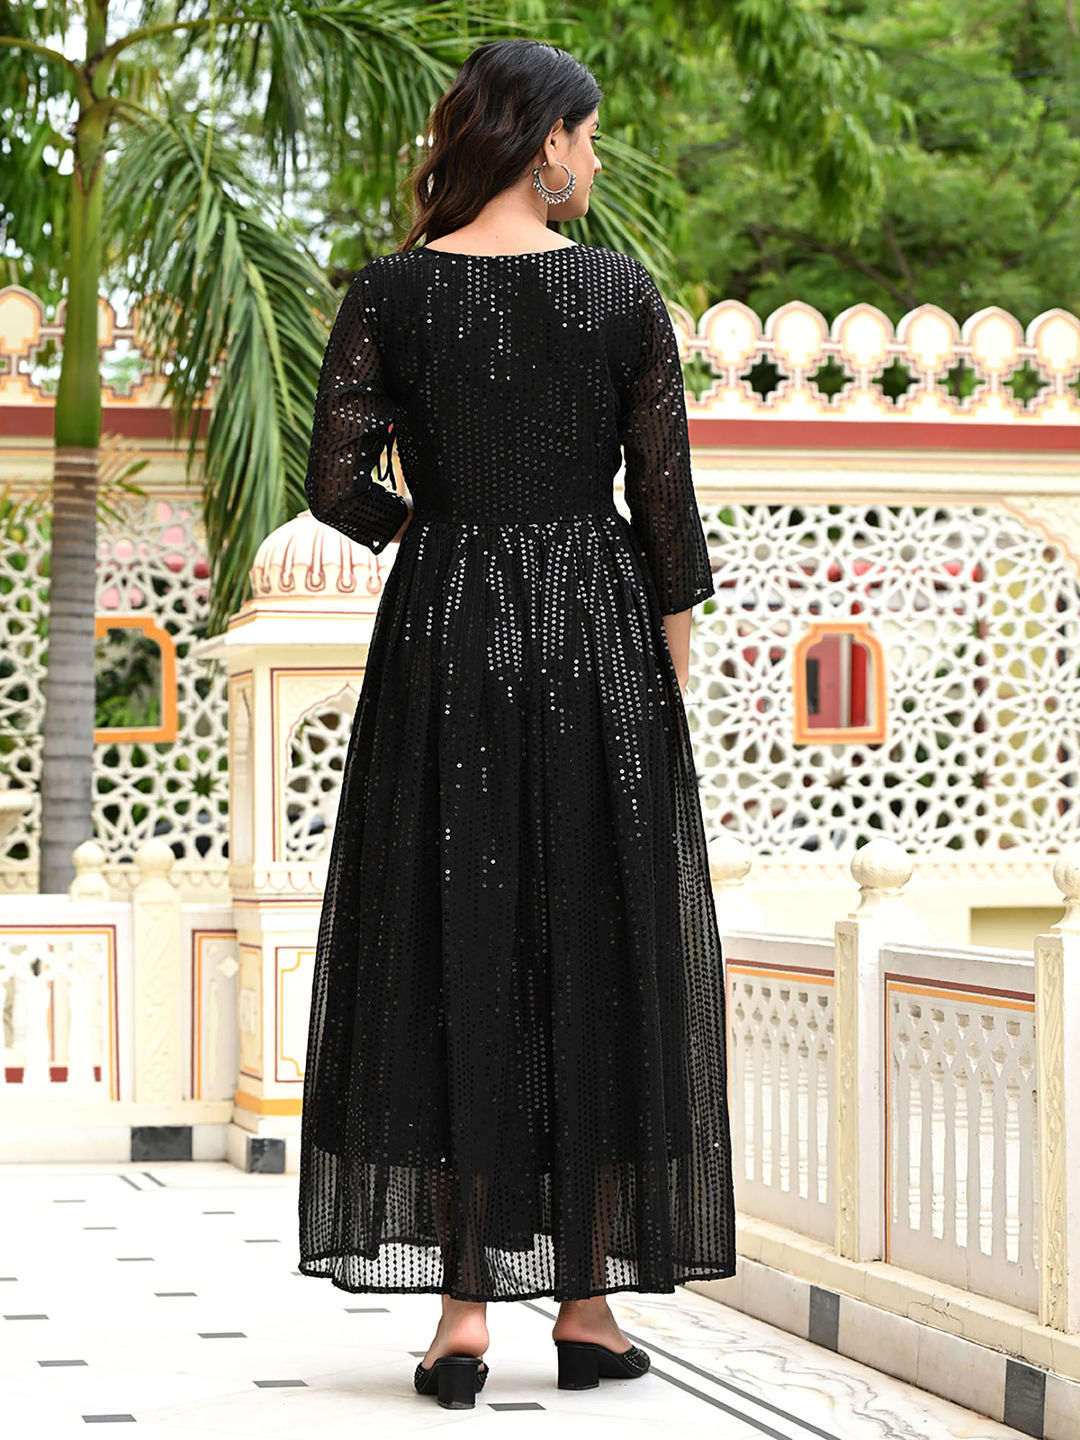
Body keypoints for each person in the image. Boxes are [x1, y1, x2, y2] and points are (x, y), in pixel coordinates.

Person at [298, 36, 735, 1412]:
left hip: (443, 640)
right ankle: (590, 1311)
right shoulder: (618, 290)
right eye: (589, 137)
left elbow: (331, 482)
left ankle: (461, 1323)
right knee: (596, 945)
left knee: (449, 945)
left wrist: (434, 533)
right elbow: (665, 509)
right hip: (596, 637)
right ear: (548, 140)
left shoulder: (391, 291)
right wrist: (663, 677)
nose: (593, 160)